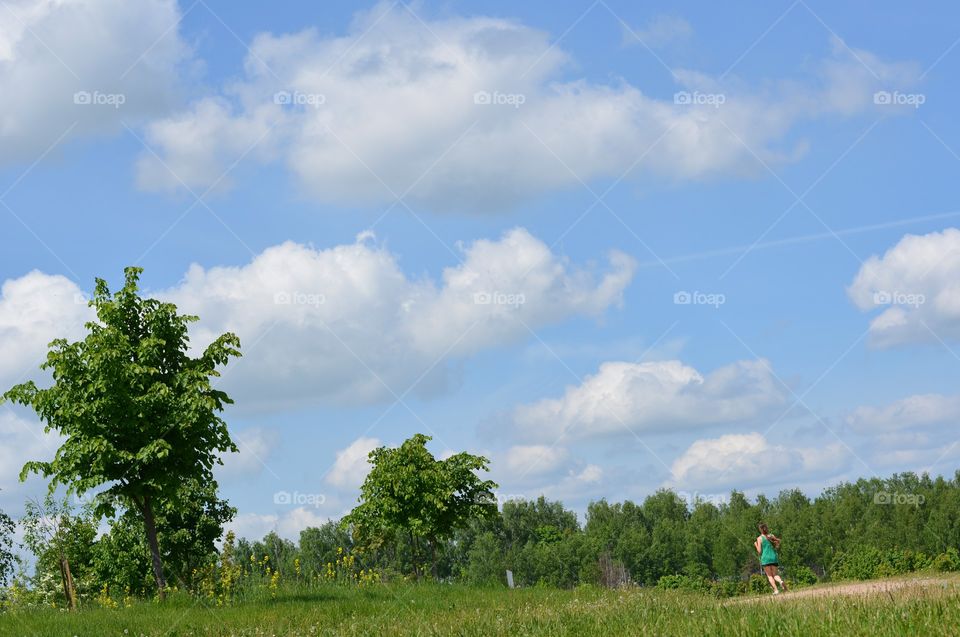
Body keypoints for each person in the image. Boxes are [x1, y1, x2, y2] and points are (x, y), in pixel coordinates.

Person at [755, 522, 787, 594]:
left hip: (765, 559)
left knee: (769, 576)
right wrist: (776, 545)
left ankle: (776, 590)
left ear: (760, 530)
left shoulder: (759, 538)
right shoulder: (771, 535)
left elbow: (759, 551)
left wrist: (756, 545)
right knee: (775, 574)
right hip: (773, 557)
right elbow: (778, 542)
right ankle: (780, 581)